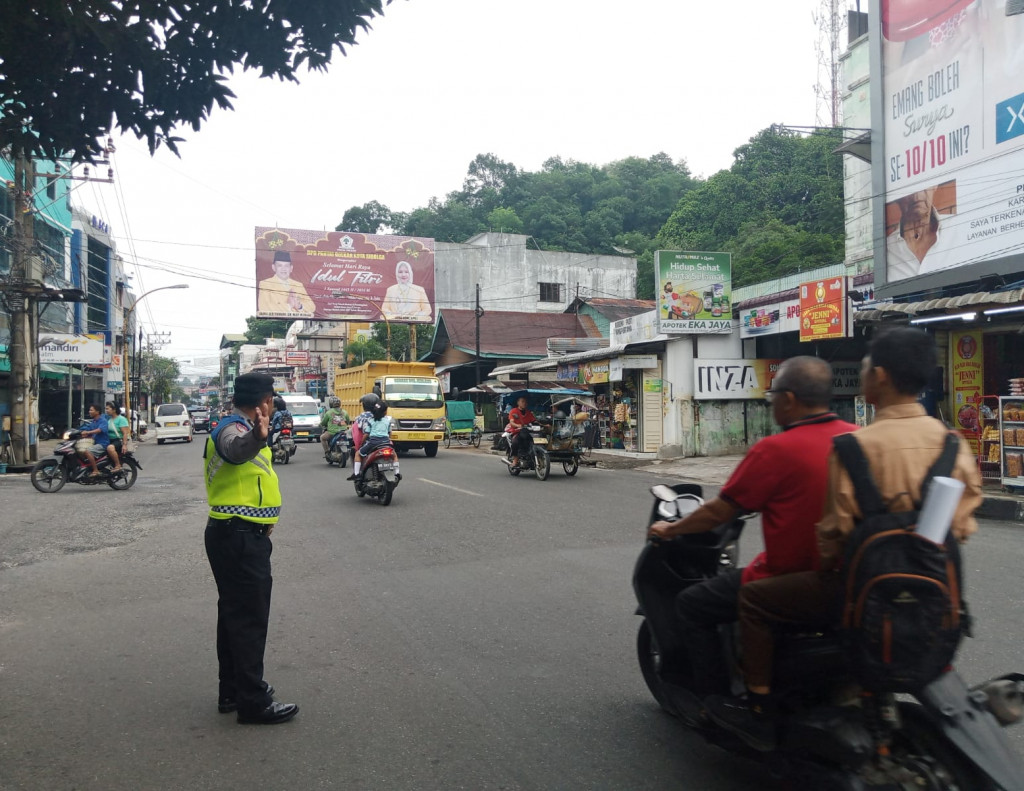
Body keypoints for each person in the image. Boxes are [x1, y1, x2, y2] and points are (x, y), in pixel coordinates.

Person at [707, 328, 982, 751]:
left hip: (854, 592)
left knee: (754, 600)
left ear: (882, 378)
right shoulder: (953, 445)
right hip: (936, 595)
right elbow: (961, 528)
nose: (864, 372)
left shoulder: (854, 446)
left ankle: (757, 704)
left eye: (868, 365)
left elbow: (833, 537)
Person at [648, 357, 857, 704]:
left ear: (789, 399)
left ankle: (717, 702)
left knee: (691, 604)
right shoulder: (859, 439)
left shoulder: (775, 449)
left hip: (789, 578)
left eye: (772, 395)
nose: (771, 402)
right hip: (851, 577)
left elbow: (719, 511)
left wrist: (670, 530)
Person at [203, 372, 299, 725]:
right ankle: (253, 702)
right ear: (264, 402)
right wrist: (257, 438)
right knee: (249, 620)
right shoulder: (232, 428)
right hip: (238, 538)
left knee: (233, 616)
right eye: (271, 398)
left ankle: (232, 691)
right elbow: (233, 451)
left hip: (237, 533)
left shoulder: (241, 426)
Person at [886, 187, 959, 281]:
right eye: (908, 187)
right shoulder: (886, 250)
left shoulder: (958, 227)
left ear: (934, 186)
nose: (916, 195)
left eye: (923, 185)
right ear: (895, 198)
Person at [256, 251, 315, 316]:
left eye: (286, 266)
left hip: (295, 322)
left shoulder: (298, 285)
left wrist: (299, 306)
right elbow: (263, 307)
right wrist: (289, 306)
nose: (283, 269)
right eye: (279, 265)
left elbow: (312, 306)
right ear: (273, 267)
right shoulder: (265, 284)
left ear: (291, 268)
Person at [346, 392, 380, 480]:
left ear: (364, 405)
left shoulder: (360, 417)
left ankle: (356, 474)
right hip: (384, 443)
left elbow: (356, 433)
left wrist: (357, 444)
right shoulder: (382, 416)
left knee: (356, 452)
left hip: (369, 443)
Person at [78, 404, 109, 477]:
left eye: (91, 410)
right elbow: (88, 429)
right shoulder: (93, 422)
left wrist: (88, 432)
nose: (89, 412)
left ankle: (95, 470)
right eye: (89, 410)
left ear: (97, 412)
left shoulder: (103, 421)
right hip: (94, 443)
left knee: (87, 451)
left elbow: (99, 430)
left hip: (102, 444)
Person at [506, 396, 536, 468]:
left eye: (525, 402)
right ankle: (515, 460)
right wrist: (518, 425)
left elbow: (534, 421)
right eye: (522, 401)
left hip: (527, 432)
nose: (524, 403)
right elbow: (511, 422)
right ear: (518, 403)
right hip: (517, 432)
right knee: (515, 442)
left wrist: (544, 425)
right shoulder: (513, 411)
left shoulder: (529, 412)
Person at [104, 401, 130, 472]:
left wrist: (124, 445)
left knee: (110, 448)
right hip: (110, 440)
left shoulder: (121, 419)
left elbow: (125, 433)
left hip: (118, 441)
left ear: (114, 409)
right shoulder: (109, 420)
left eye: (108, 409)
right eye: (106, 409)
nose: (106, 411)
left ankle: (118, 465)